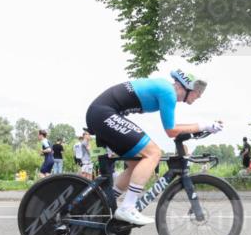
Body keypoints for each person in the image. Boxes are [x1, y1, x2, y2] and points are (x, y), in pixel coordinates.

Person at [84, 68, 221, 225]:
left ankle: (103, 203)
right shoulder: (168, 92)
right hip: (103, 113)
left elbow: (174, 129)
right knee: (154, 153)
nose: (200, 95)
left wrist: (202, 128)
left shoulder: (166, 90)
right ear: (185, 87)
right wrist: (204, 125)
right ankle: (127, 207)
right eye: (198, 91)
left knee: (136, 165)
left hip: (101, 114)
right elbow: (171, 130)